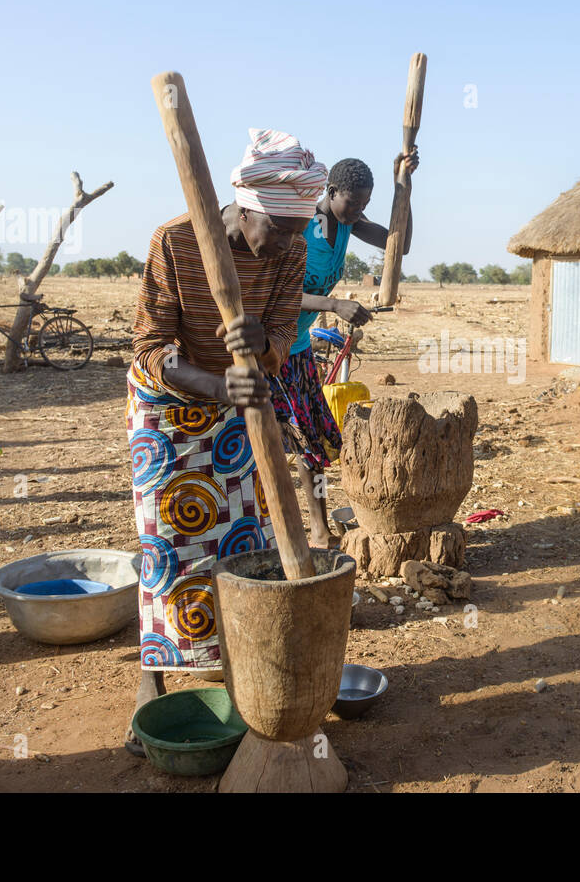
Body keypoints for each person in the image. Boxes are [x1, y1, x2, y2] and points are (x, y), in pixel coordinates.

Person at [124, 128, 327, 754]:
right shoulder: (176, 240)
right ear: (243, 205)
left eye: (300, 231)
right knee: (168, 544)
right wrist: (216, 385)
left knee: (242, 540)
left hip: (239, 408)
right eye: (279, 228)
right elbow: (150, 347)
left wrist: (259, 343)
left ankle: (240, 670)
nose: (289, 244)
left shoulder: (290, 249)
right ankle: (151, 683)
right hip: (171, 412)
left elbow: (280, 334)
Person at [271, 151, 417, 546]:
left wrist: (402, 185)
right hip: (269, 346)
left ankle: (318, 530)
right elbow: (278, 294)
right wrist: (334, 305)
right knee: (266, 443)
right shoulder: (303, 227)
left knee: (312, 443)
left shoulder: (348, 225)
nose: (357, 211)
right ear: (331, 191)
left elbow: (397, 245)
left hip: (298, 346)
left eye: (364, 205)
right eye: (352, 203)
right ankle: (271, 531)